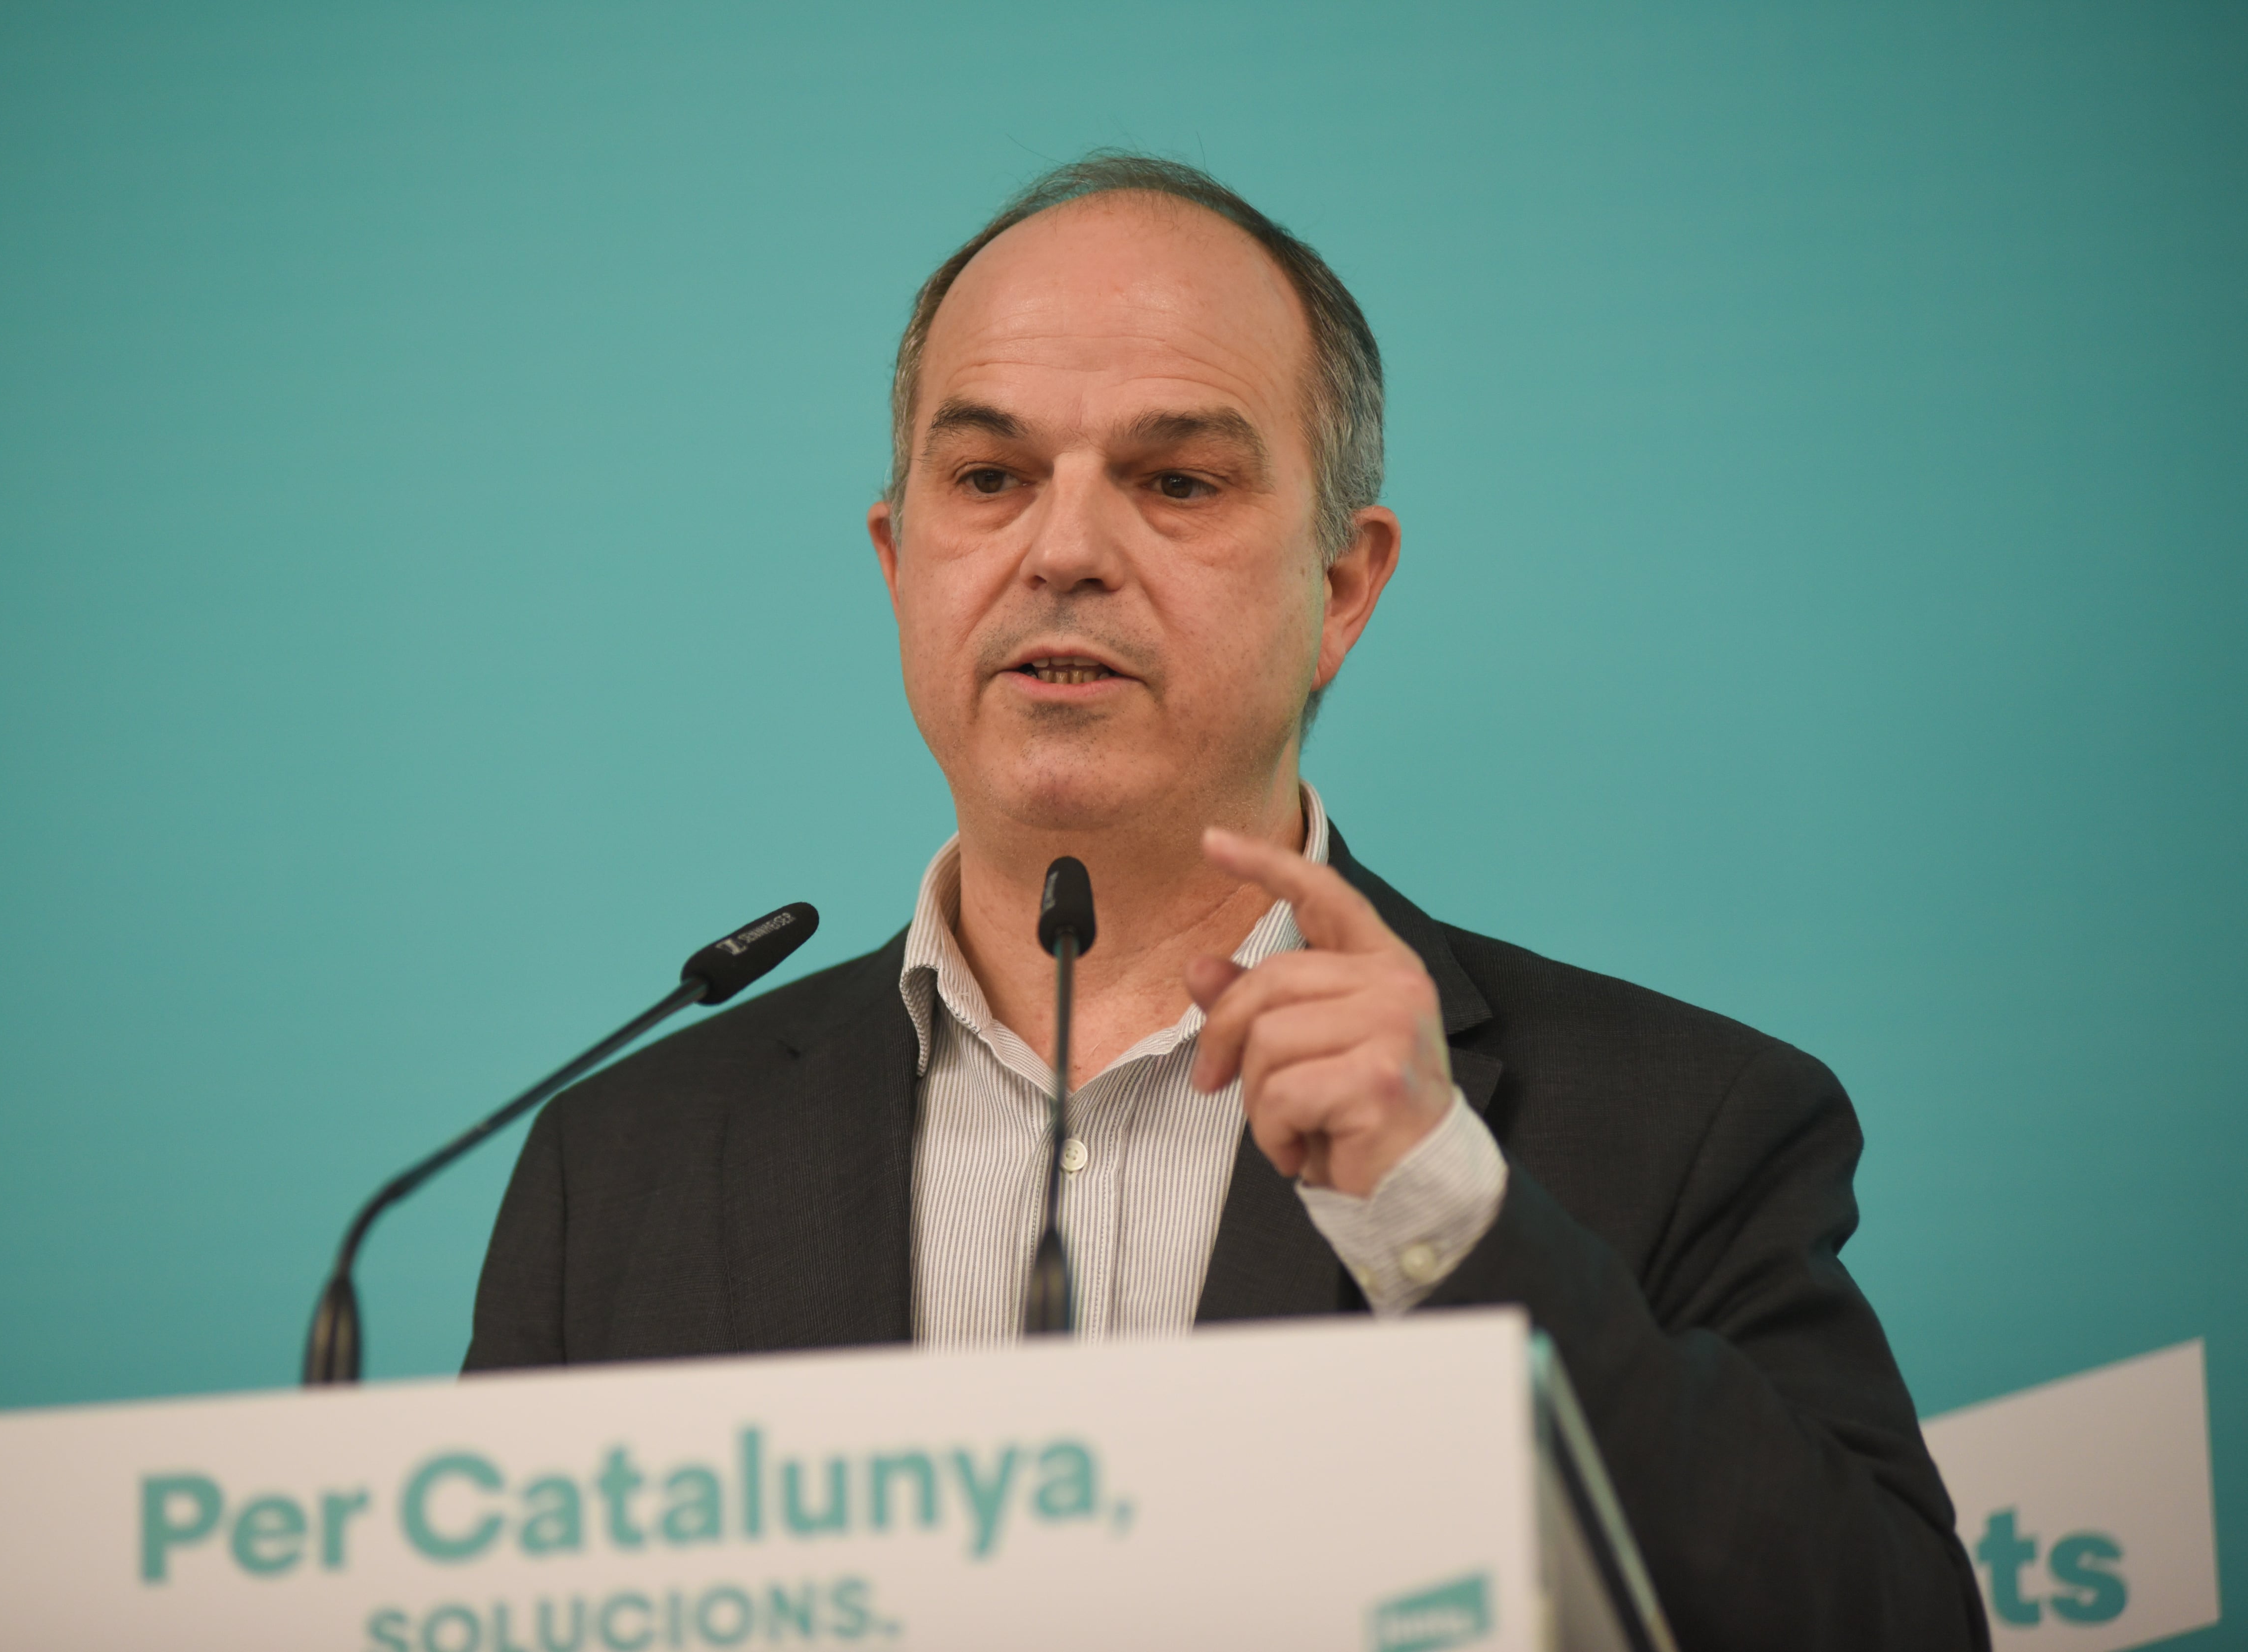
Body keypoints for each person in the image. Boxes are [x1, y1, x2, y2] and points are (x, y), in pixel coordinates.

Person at [466, 152, 1986, 1650]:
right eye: (989, 479)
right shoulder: (623, 1168)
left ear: (1342, 588)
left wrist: (1443, 1211)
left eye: (1176, 481)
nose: (1064, 551)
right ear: (898, 559)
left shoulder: (1684, 1123)